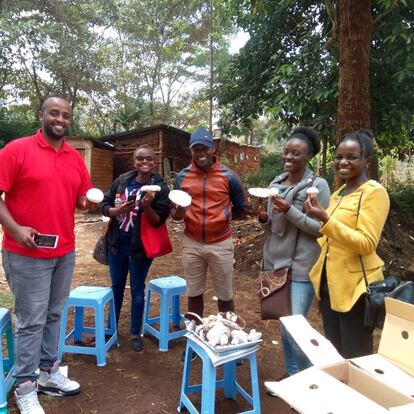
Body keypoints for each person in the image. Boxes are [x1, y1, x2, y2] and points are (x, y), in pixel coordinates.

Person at [0, 96, 92, 414]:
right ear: (40, 115)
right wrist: (14, 229)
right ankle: (25, 387)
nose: (60, 119)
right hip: (26, 253)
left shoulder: (74, 158)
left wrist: (87, 202)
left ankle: (49, 372)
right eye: (54, 113)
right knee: (31, 321)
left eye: (66, 115)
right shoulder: (17, 150)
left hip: (64, 251)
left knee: (54, 314)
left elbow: (81, 198)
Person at [306, 129, 390, 358]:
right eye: (339, 156)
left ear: (367, 161)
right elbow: (331, 241)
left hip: (356, 289)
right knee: (335, 352)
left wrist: (325, 218)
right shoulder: (339, 194)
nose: (342, 162)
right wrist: (319, 285)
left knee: (356, 356)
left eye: (351, 157)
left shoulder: (373, 193)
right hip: (330, 285)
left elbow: (366, 243)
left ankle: (361, 394)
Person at [257, 127, 330, 380]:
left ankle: (309, 378)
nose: (288, 157)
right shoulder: (275, 184)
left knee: (296, 328)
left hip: (300, 267)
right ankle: (291, 373)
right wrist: (263, 217)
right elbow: (272, 228)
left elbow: (321, 229)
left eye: (296, 153)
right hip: (274, 262)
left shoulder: (317, 186)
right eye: (286, 152)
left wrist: (289, 210)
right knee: (284, 324)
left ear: (308, 156)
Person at [100, 144, 171, 352]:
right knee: (117, 287)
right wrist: (117, 210)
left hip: (140, 247)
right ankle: (110, 329)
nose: (145, 162)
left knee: (138, 289)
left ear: (154, 161)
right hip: (117, 243)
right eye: (140, 158)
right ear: (135, 161)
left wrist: (147, 206)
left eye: (149, 158)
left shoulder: (159, 188)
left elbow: (159, 221)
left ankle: (135, 332)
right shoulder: (122, 181)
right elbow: (104, 204)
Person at [172, 127, 249, 318]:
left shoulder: (229, 176)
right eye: (195, 149)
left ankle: (225, 339)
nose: (200, 153)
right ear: (191, 151)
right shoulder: (182, 177)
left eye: (204, 148)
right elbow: (174, 214)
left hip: (221, 243)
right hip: (192, 243)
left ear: (213, 148)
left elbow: (241, 207)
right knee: (194, 293)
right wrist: (180, 213)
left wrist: (223, 219)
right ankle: (194, 342)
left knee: (224, 295)